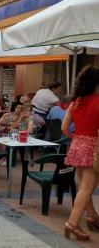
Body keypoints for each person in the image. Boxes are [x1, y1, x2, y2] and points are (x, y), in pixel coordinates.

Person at [62, 66, 99, 241]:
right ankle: (72, 223)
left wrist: (76, 138)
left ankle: (92, 216)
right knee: (87, 187)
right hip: (93, 146)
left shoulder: (75, 102)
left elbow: (64, 128)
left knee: (83, 185)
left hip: (77, 144)